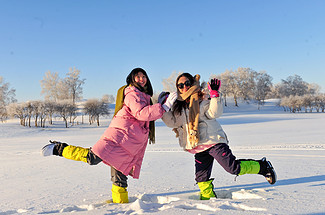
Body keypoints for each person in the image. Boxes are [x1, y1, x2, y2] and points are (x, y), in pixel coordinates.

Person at [41, 68, 177, 203]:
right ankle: (58, 148)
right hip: (118, 137)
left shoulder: (144, 97)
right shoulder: (132, 93)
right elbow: (141, 113)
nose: (141, 79)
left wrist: (159, 104)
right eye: (138, 76)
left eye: (144, 76)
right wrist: (163, 107)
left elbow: (146, 114)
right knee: (92, 158)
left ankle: (120, 205)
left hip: (129, 142)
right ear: (132, 79)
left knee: (121, 174)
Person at [160, 73, 276, 200]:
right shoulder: (179, 107)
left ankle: (263, 167)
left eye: (187, 83)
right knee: (201, 177)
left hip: (214, 141)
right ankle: (207, 199)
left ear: (192, 83)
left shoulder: (202, 99)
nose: (184, 87)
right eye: (180, 85)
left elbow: (214, 113)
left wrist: (214, 95)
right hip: (198, 146)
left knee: (233, 168)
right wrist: (164, 107)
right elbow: (172, 122)